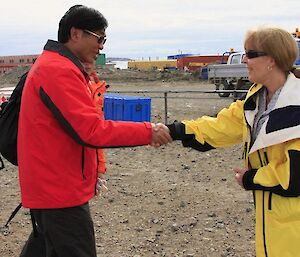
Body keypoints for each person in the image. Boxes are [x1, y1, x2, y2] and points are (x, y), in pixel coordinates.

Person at [18, 5, 171, 257]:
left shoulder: (57, 66)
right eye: (99, 37)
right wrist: (148, 131)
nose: (102, 45)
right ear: (76, 33)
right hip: (60, 191)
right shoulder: (58, 70)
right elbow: (91, 130)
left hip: (52, 186)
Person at [166, 26, 300, 257]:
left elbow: (295, 177)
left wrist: (251, 178)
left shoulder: (296, 105)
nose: (245, 60)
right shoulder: (256, 99)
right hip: (274, 223)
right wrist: (176, 130)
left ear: (271, 59)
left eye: (250, 54)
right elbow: (221, 126)